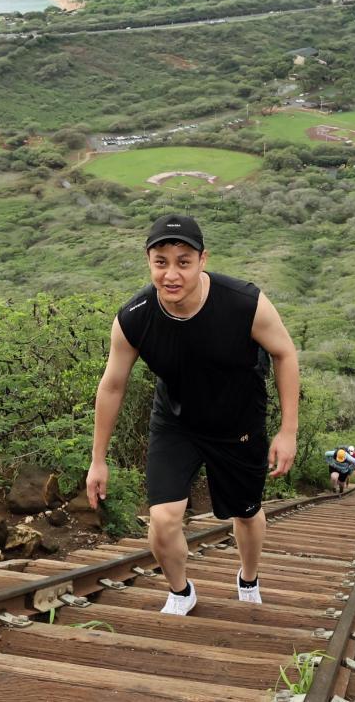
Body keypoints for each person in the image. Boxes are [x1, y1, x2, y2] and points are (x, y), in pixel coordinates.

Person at [86, 214, 299, 616]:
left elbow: (285, 353)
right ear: (149, 262)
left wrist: (288, 431)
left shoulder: (244, 303)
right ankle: (181, 591)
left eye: (183, 262)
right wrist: (98, 460)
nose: (171, 274)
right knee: (162, 519)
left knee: (246, 513)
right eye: (161, 262)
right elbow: (112, 386)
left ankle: (248, 578)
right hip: (176, 422)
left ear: (203, 260)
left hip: (238, 424)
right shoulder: (135, 317)